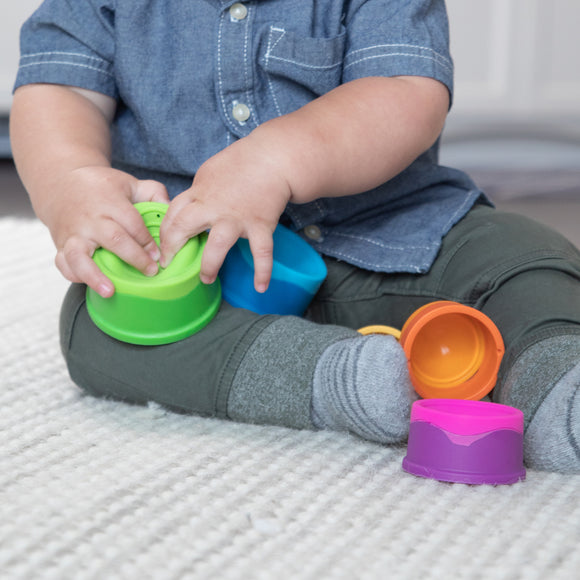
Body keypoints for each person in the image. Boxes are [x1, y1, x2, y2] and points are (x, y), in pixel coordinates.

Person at [10, 0, 580, 473]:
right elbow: (60, 90)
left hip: (392, 238)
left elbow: (406, 91)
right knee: (97, 326)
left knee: (526, 256)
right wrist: (71, 183)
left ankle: (553, 377)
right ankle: (332, 378)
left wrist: (278, 160)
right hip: (201, 276)